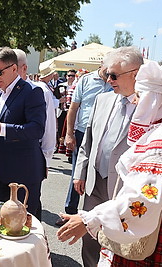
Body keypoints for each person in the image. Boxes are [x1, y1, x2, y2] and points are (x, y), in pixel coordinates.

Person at [57, 60, 162, 266]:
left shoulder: (161, 140)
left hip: (147, 241)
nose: (136, 101)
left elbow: (142, 201)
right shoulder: (158, 132)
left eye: (141, 96)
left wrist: (91, 219)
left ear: (155, 101)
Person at [64, 47, 143, 266]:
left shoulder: (150, 106)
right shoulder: (102, 100)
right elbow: (87, 142)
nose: (108, 80)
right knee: (90, 240)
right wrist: (79, 173)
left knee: (119, 243)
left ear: (135, 74)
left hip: (125, 189)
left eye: (114, 75)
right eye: (107, 74)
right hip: (95, 183)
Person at [0, 47, 46, 220]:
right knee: (5, 222)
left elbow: (36, 129)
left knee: (25, 224)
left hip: (24, 172)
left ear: (14, 68)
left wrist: (2, 129)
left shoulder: (32, 92)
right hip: (1, 171)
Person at [58, 64, 111, 226]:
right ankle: (70, 213)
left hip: (105, 135)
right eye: (107, 70)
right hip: (82, 133)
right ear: (102, 65)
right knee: (77, 173)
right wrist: (69, 134)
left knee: (102, 175)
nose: (110, 75)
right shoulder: (86, 81)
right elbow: (73, 108)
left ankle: (96, 217)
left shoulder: (115, 80)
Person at [14, 48, 56, 173]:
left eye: (14, 70)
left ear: (24, 68)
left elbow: (49, 127)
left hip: (31, 154)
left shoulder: (40, 91)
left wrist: (46, 159)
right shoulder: (0, 91)